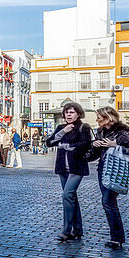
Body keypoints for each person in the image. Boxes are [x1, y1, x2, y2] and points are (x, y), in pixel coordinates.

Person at [86, 106, 129, 249]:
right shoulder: (100, 132)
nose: (97, 119)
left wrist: (115, 145)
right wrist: (93, 145)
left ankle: (117, 239)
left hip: (117, 171)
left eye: (99, 117)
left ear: (108, 117)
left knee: (108, 202)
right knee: (109, 203)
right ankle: (117, 238)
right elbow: (94, 155)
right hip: (103, 170)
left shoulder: (123, 133)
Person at [45, 102, 94, 242]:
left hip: (76, 168)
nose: (68, 115)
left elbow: (85, 144)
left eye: (72, 112)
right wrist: (63, 132)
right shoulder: (61, 127)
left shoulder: (84, 127)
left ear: (78, 114)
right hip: (62, 168)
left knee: (67, 196)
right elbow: (49, 142)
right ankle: (77, 230)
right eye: (66, 112)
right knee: (72, 198)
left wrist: (67, 146)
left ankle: (66, 231)